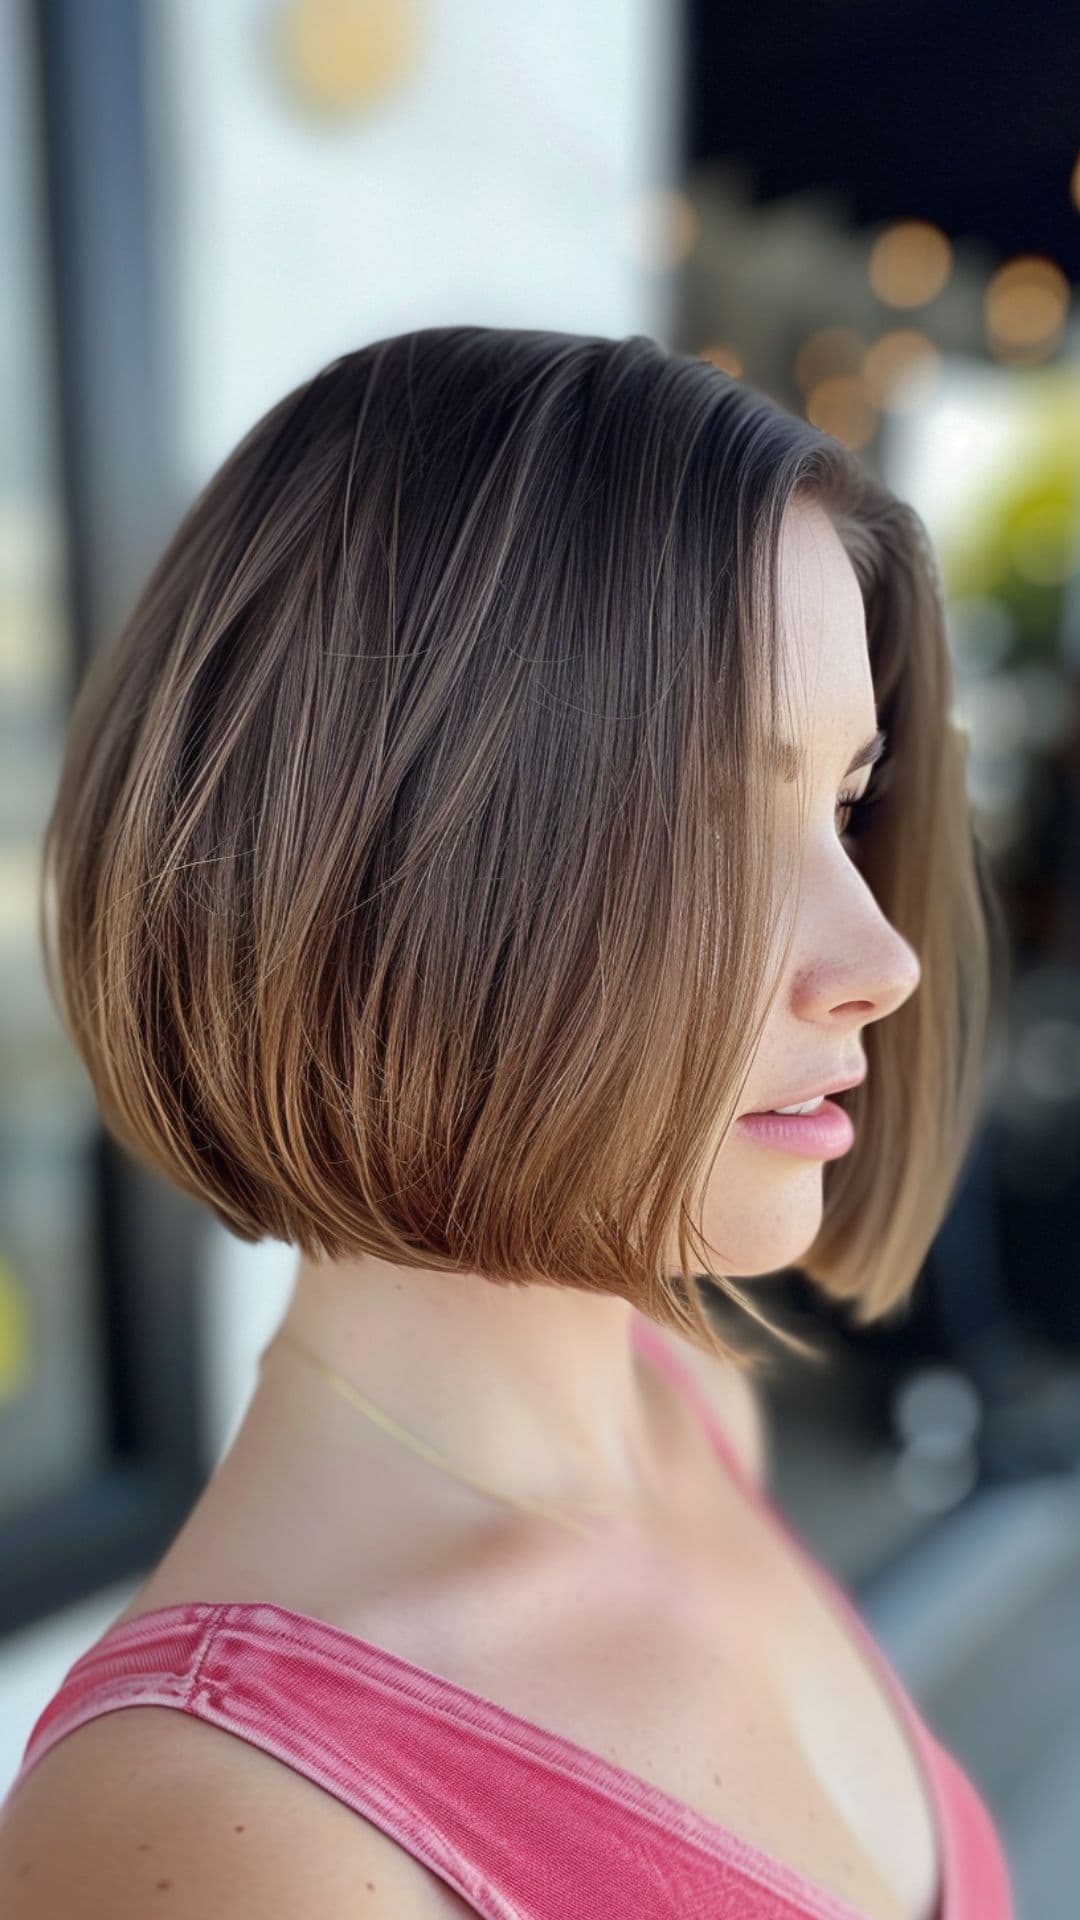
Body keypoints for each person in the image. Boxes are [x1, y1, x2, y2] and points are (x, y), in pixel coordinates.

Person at [0, 328, 1014, 1918]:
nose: (880, 959)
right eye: (711, 819)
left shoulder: (692, 1407)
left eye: (843, 804)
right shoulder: (218, 1831)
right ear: (381, 872)